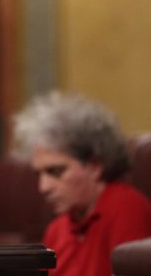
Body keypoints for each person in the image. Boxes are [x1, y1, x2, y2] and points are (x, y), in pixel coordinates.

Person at [12, 91, 151, 276]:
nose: (43, 187)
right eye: (40, 173)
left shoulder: (126, 208)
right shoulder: (57, 228)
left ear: (95, 166)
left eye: (56, 172)